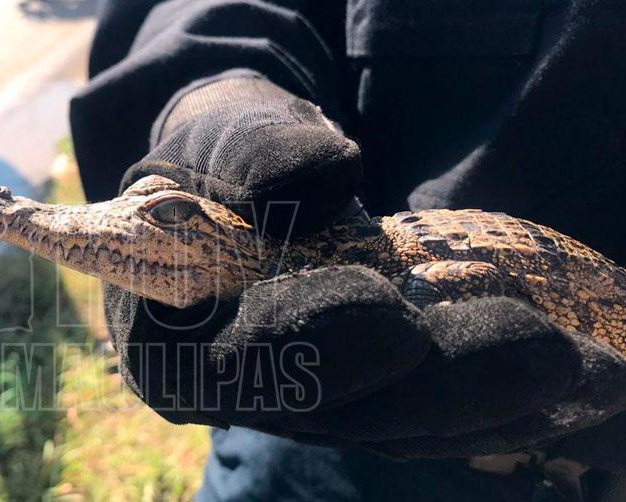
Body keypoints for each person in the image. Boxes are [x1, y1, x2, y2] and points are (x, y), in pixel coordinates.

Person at [69, 1, 626, 500]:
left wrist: (413, 306)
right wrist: (212, 101)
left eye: (163, 216)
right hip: (318, 451)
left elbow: (470, 275)